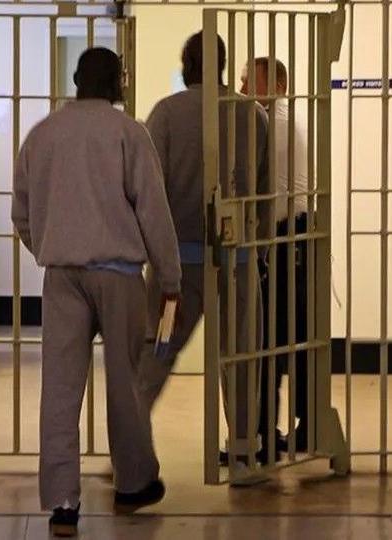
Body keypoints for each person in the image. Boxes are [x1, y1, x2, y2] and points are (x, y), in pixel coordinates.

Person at [12, 47, 181, 537]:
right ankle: (133, 482)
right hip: (120, 274)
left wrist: (51, 246)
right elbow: (153, 210)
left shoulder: (41, 135)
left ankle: (62, 501)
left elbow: (22, 214)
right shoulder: (129, 133)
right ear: (117, 82)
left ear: (77, 80)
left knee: (60, 389)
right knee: (125, 384)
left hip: (61, 275)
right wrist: (170, 278)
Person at [141, 32, 273, 467]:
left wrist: (148, 254)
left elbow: (149, 192)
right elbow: (263, 195)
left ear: (186, 64)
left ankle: (132, 447)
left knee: (155, 354)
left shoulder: (165, 115)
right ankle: (242, 450)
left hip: (173, 267)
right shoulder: (250, 115)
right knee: (240, 357)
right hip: (235, 260)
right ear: (222, 63)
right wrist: (262, 251)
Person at [241, 57, 310, 454]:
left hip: (281, 237)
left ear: (276, 84)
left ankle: (263, 436)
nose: (243, 87)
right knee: (292, 336)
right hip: (296, 236)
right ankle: (300, 427)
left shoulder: (271, 124)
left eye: (250, 80)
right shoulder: (292, 118)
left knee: (265, 339)